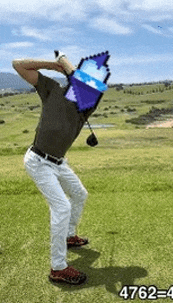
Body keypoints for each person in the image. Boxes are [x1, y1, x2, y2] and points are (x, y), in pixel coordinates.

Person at [12, 52, 94, 285]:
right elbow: (18, 65)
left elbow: (84, 86)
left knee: (80, 194)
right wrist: (53, 65)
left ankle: (68, 236)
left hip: (59, 162)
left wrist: (66, 62)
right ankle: (58, 268)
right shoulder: (52, 89)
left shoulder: (86, 104)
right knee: (62, 206)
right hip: (38, 161)